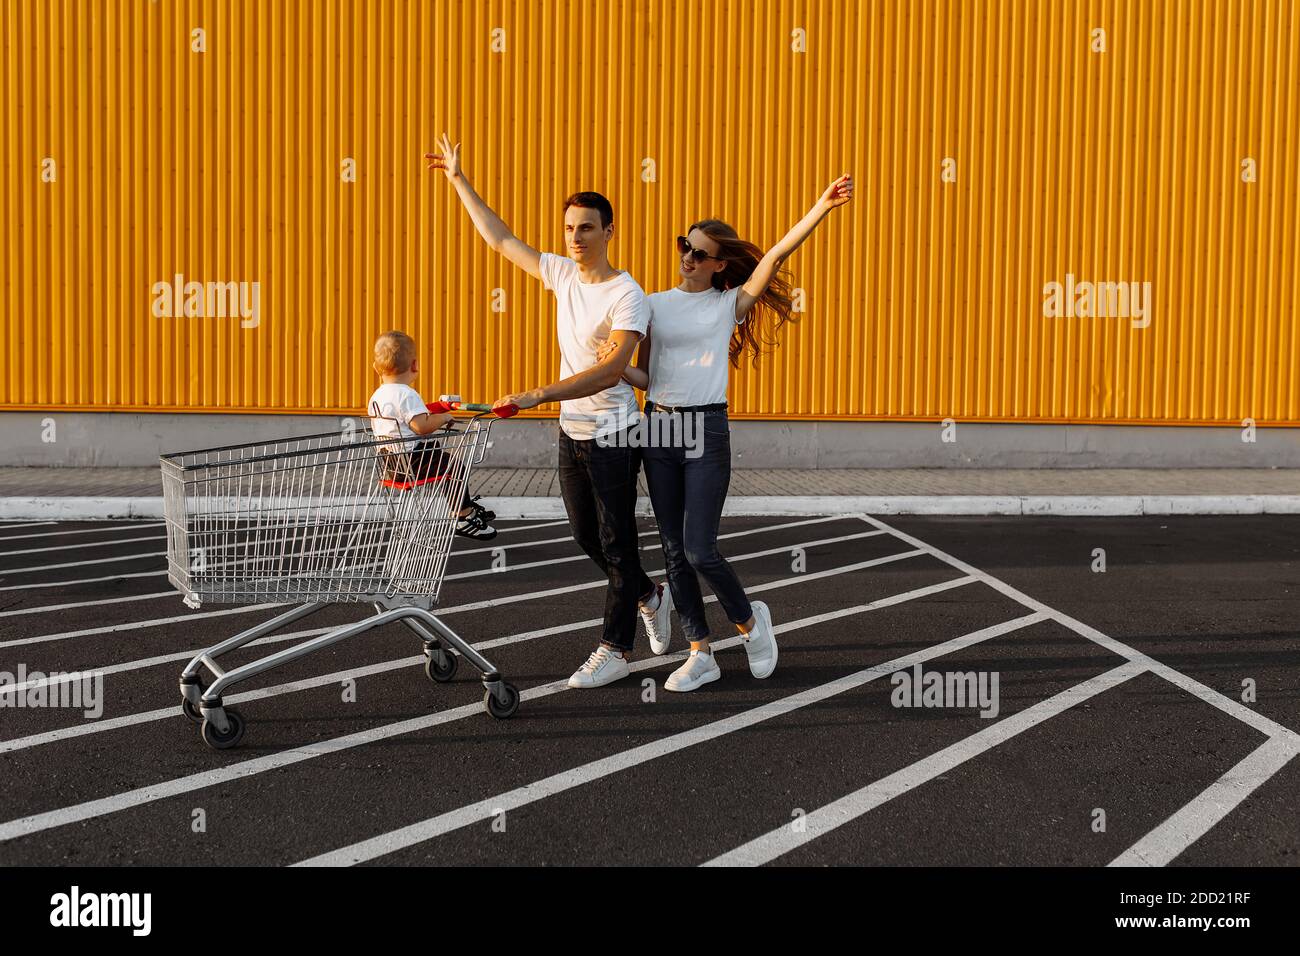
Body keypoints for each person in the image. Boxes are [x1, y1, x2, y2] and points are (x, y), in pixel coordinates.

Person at [425, 133, 672, 688]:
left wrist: (539, 394)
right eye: (569, 228)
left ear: (610, 231)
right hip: (572, 432)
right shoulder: (561, 274)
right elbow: (502, 239)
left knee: (617, 541)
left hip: (613, 433)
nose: (576, 237)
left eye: (587, 227)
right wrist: (459, 180)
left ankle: (615, 648)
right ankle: (648, 593)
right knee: (587, 536)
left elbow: (614, 373)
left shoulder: (627, 294)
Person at [599, 174, 854, 691]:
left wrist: (821, 208)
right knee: (672, 549)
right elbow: (650, 376)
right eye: (684, 247)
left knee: (698, 549)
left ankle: (750, 623)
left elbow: (777, 255)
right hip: (660, 426)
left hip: (707, 428)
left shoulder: (727, 305)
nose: (687, 258)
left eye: (699, 253)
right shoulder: (652, 304)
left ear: (719, 263)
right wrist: (616, 365)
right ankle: (700, 651)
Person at [367, 330, 497, 540]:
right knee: (453, 467)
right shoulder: (407, 394)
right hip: (412, 461)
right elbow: (421, 426)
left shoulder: (378, 395)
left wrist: (431, 412)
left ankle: (465, 506)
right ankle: (463, 515)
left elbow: (403, 420)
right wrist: (444, 417)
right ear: (415, 365)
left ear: (375, 368)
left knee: (444, 464)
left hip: (390, 463)